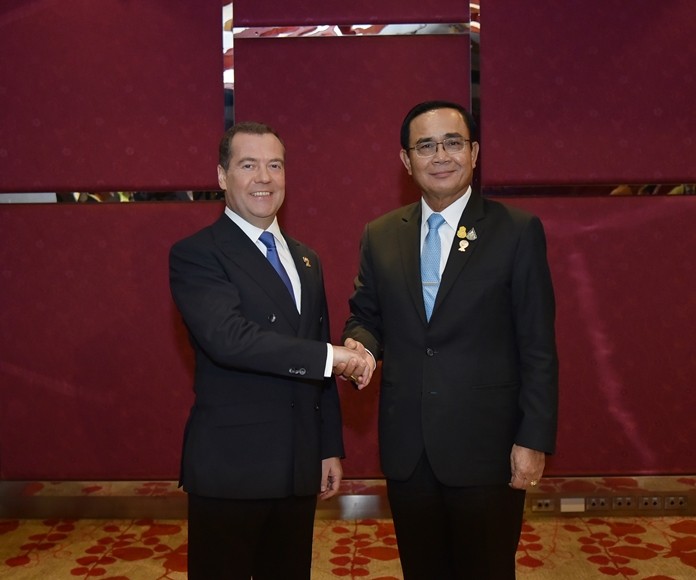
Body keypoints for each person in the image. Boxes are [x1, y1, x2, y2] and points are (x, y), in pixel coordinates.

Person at [342, 101, 559, 579]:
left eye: (453, 142)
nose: (440, 155)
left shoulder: (517, 231)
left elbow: (538, 344)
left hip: (488, 449)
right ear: (406, 160)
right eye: (425, 145)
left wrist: (533, 438)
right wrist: (360, 345)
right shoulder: (380, 235)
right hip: (408, 450)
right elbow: (366, 316)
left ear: (475, 152)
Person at [169, 121, 373, 579]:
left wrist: (328, 447)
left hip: (297, 467)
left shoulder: (306, 259)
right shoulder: (197, 254)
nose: (264, 177)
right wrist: (332, 356)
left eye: (275, 165)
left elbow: (314, 362)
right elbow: (230, 339)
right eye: (248, 165)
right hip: (232, 469)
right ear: (222, 176)